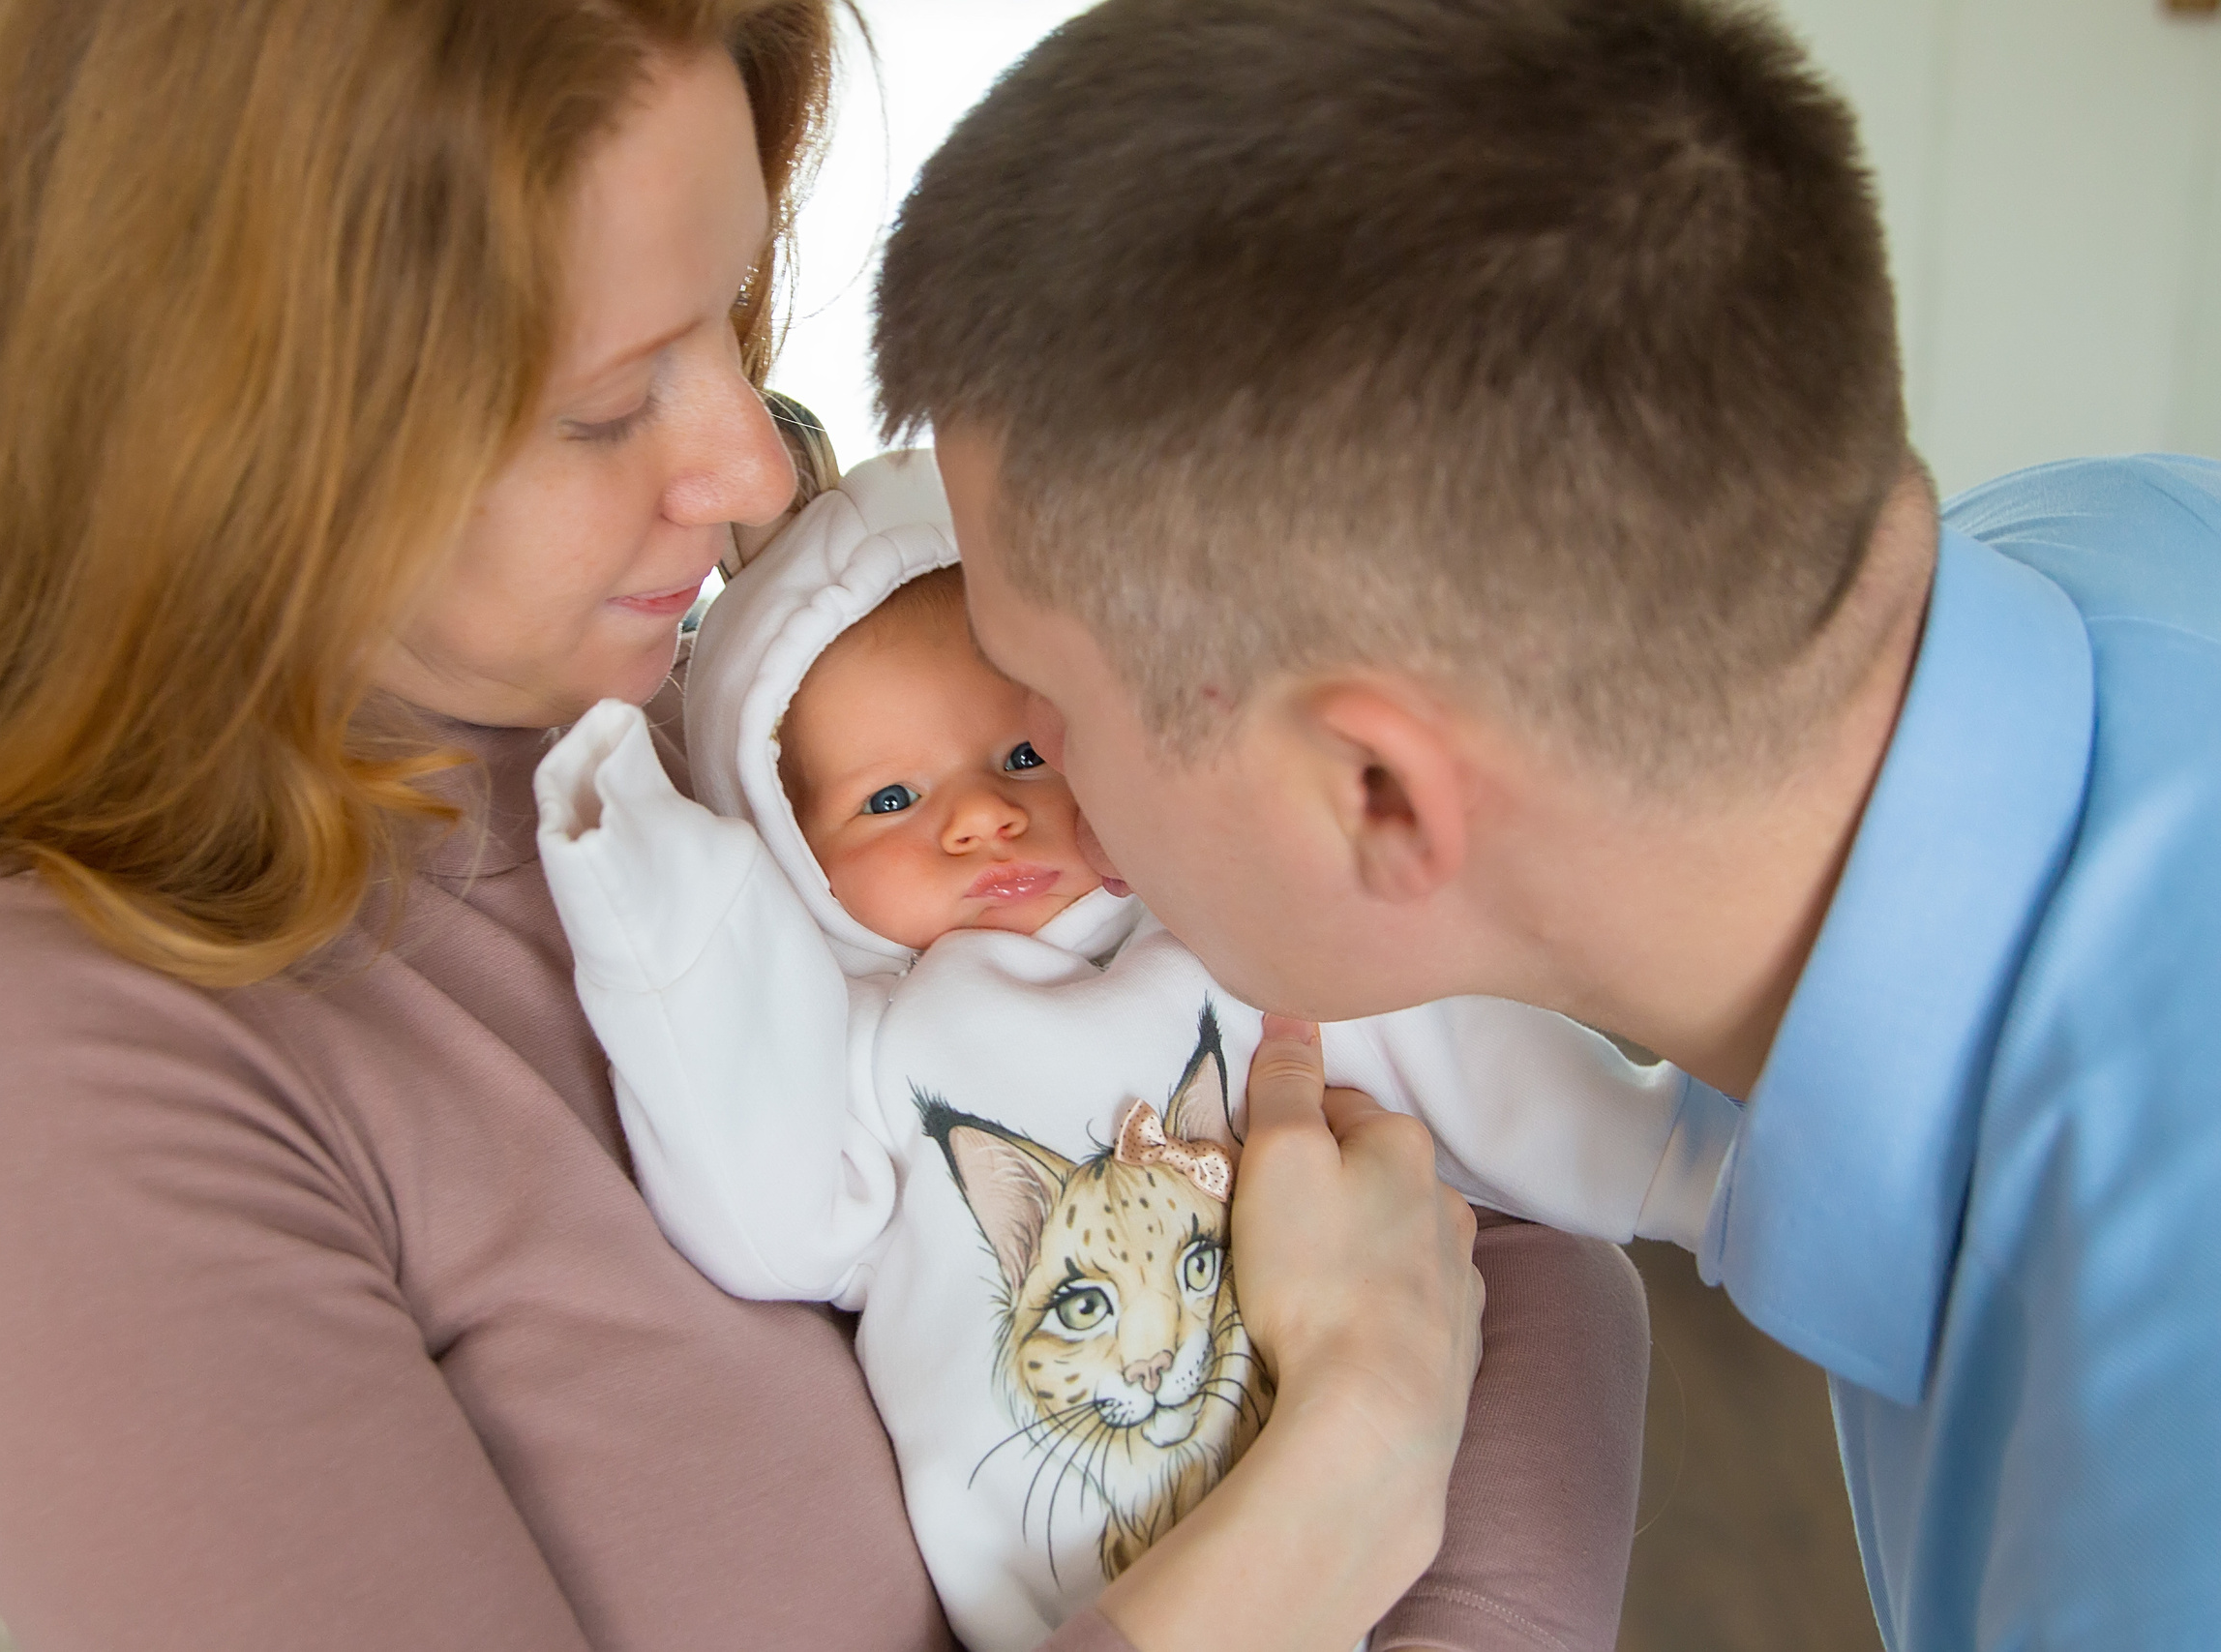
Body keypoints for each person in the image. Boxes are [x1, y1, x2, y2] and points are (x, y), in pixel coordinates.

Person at [0, 3, 1632, 1650]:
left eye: (727, 318)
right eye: (599, 407)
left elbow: (1501, 1210)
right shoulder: (54, 1063)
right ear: (215, 438)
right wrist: (1354, 1462)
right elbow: (1414, 1307)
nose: (745, 470)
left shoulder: (779, 701)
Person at [872, 0, 2221, 1647]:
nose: (1025, 779)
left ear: (1376, 796)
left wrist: (1359, 1441)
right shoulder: (2100, 544)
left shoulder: (2150, 1523)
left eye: (1034, 708)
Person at [533, 451, 1722, 1651]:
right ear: (791, 854)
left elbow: (1469, 1059)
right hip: (1075, 1603)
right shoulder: (873, 1057)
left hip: (1411, 1536)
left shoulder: (1221, 933)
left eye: (1022, 758)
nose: (979, 817)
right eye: (888, 802)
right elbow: (764, 1213)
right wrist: (666, 911)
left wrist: (1678, 1159)